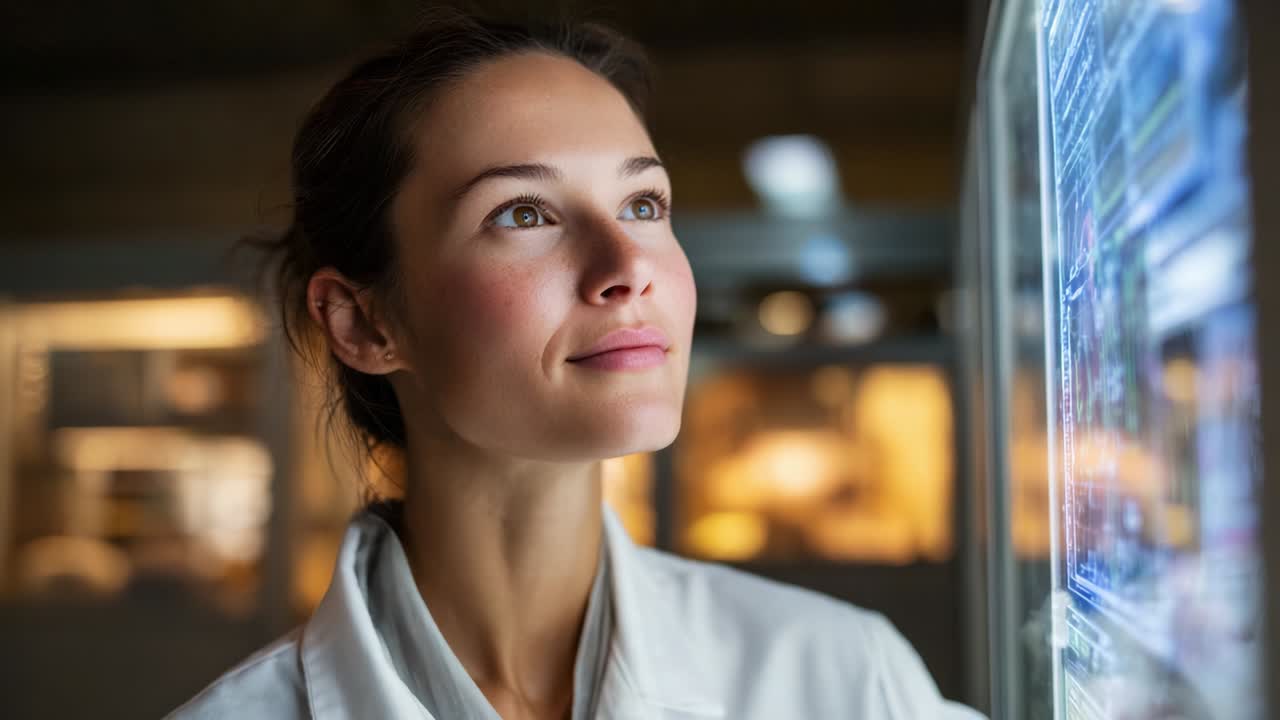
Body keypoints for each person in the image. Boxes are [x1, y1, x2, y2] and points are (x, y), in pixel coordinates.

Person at [167, 10, 983, 720]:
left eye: (643, 204)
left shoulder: (841, 680)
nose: (629, 263)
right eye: (524, 213)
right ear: (363, 321)